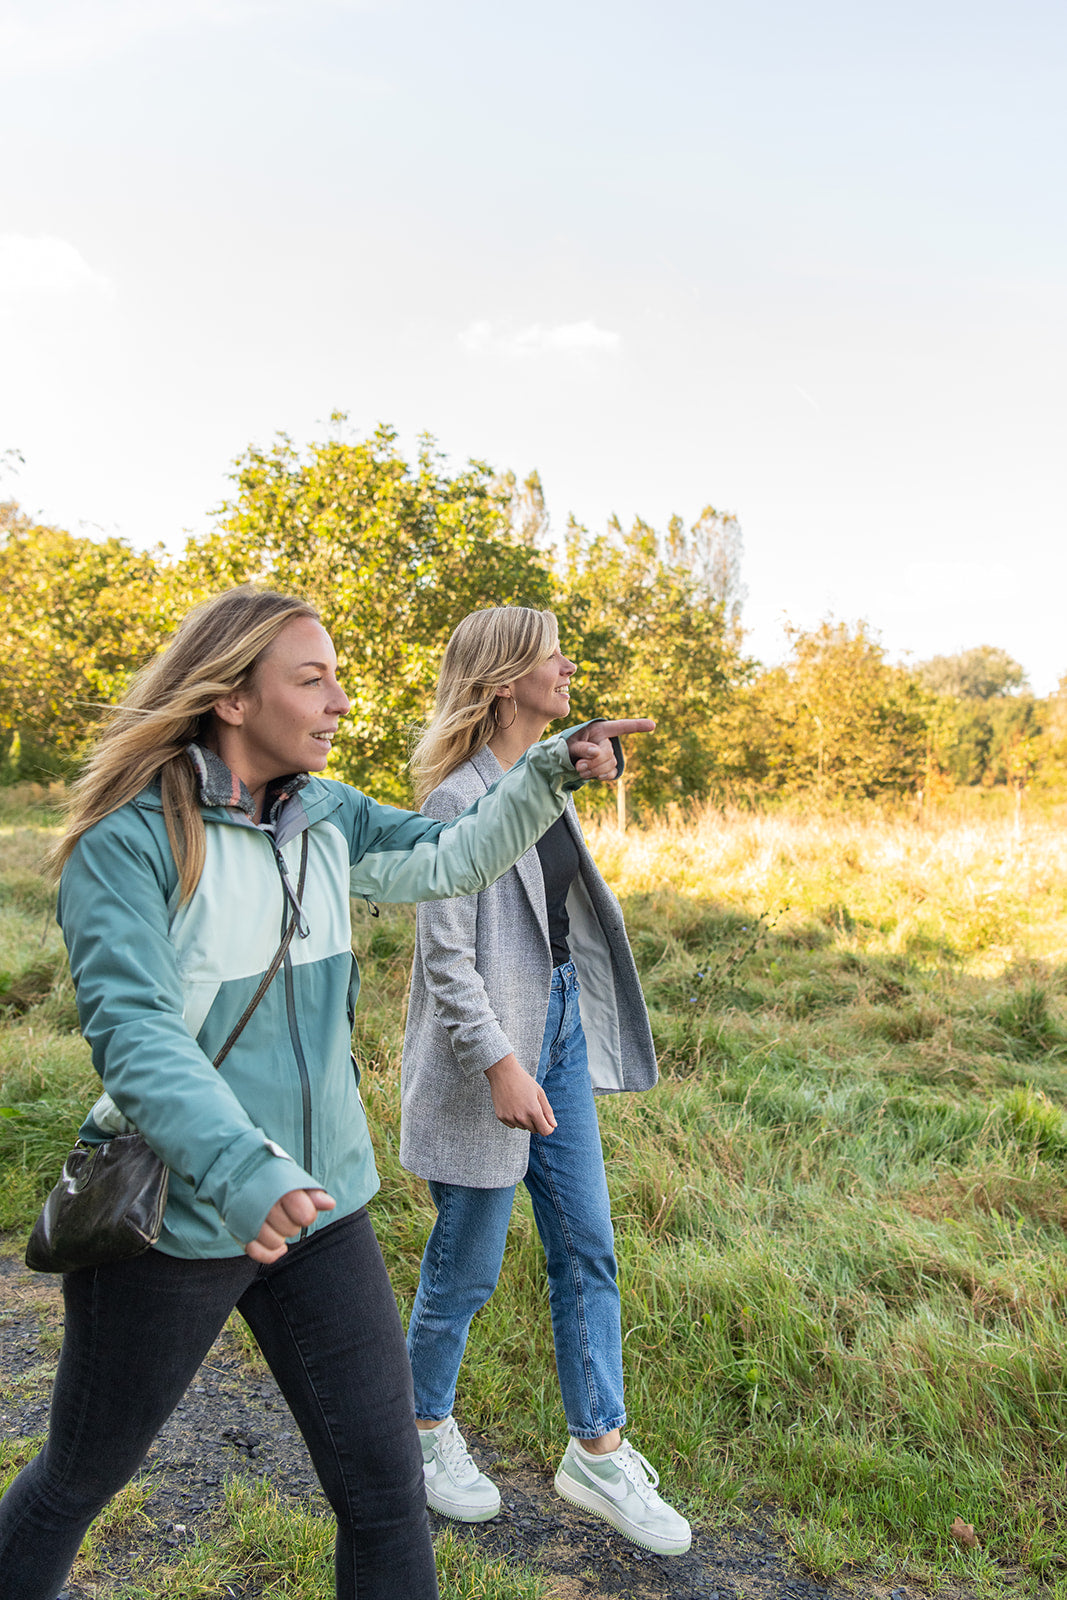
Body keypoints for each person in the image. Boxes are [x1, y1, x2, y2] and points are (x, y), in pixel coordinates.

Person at [0, 586, 652, 1600]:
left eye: (336, 676)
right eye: (313, 679)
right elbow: (137, 1037)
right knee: (77, 1478)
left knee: (388, 1494)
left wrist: (546, 771)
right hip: (181, 1214)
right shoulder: (129, 843)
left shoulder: (326, 815)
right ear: (230, 696)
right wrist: (242, 1169)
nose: (340, 699)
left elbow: (456, 856)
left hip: (327, 1204)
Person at [400, 605, 691, 1558]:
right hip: (492, 1050)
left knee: (588, 1248)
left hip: (556, 1024)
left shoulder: (540, 781)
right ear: (502, 677)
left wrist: (595, 760)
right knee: (467, 1264)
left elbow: (553, 860)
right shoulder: (452, 803)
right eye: (549, 654)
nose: (568, 664)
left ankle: (597, 1453)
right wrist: (500, 1065)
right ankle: (420, 1433)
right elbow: (446, 963)